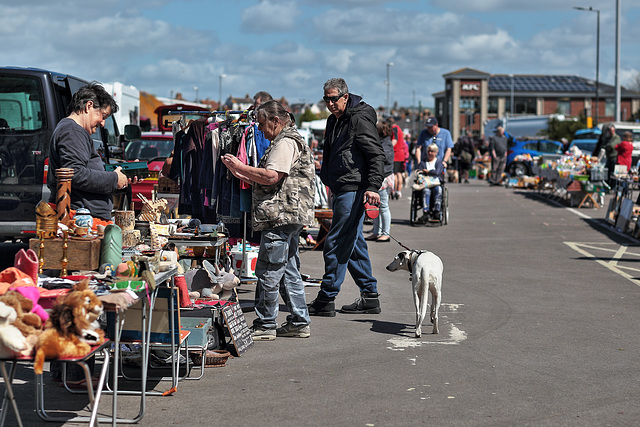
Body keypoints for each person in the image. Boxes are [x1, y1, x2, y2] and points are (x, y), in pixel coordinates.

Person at [222, 100, 315, 340]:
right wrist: (240, 171)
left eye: (263, 124)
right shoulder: (289, 140)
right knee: (288, 271)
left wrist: (242, 166)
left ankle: (266, 323)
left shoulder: (285, 142)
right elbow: (272, 178)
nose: (260, 129)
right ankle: (299, 320)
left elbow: (273, 176)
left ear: (276, 121)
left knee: (268, 271)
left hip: (280, 216)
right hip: (289, 215)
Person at [307, 78, 385, 317]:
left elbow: (376, 155)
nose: (329, 103)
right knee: (353, 241)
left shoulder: (358, 119)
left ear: (345, 96)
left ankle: (326, 297)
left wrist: (372, 187)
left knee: (338, 241)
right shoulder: (335, 120)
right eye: (326, 99)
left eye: (333, 98)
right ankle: (370, 295)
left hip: (354, 188)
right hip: (341, 187)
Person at [47, 82, 130, 221]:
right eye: (103, 116)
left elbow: (83, 172)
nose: (103, 123)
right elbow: (75, 173)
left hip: (84, 218)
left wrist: (120, 179)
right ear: (89, 106)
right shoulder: (72, 131)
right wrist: (114, 179)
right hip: (80, 222)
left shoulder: (73, 130)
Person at [365, 121, 394, 242]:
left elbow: (384, 158)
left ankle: (385, 233)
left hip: (384, 177)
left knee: (383, 206)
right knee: (375, 206)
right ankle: (376, 231)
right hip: (380, 176)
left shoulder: (385, 144)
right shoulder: (383, 142)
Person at [417, 143, 445, 223]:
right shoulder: (423, 163)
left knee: (438, 190)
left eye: (432, 151)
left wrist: (428, 172)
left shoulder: (439, 162)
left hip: (436, 183)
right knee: (426, 191)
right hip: (426, 184)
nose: (430, 153)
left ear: (436, 152)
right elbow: (419, 172)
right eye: (429, 151)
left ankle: (436, 211)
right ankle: (426, 212)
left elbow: (437, 172)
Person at [389, 117, 408, 199]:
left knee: (394, 174)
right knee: (399, 173)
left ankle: (394, 190)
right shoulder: (399, 129)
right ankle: (399, 191)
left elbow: (394, 139)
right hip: (401, 154)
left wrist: (389, 147)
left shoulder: (394, 129)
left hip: (395, 154)